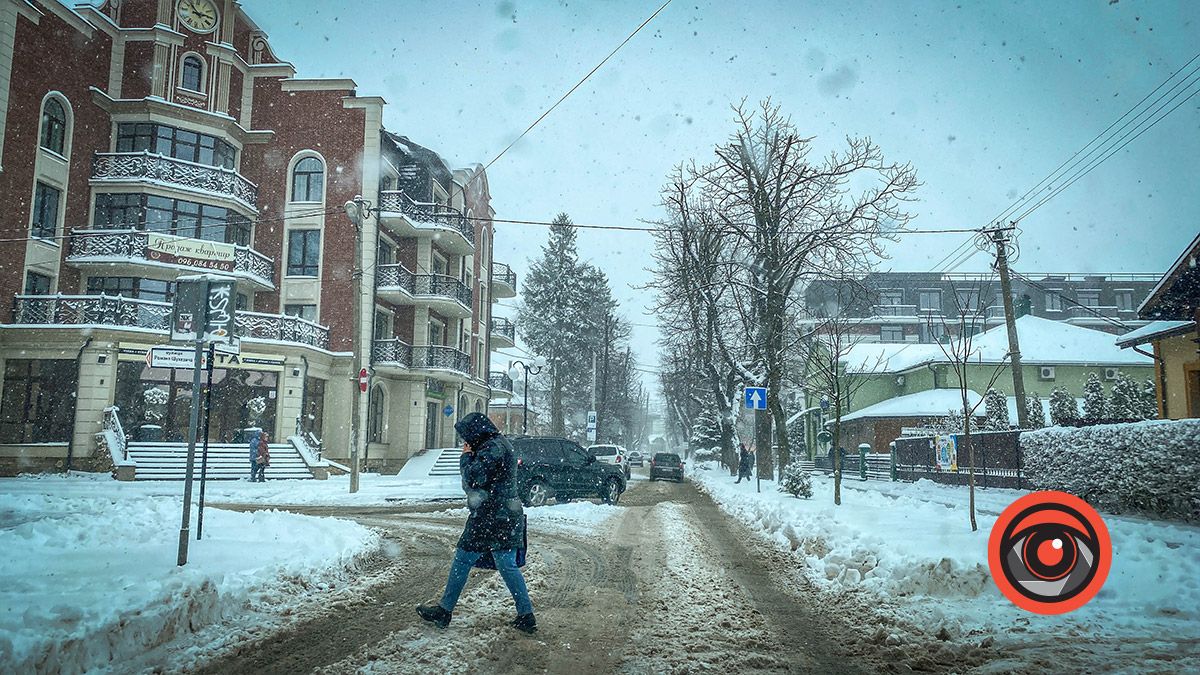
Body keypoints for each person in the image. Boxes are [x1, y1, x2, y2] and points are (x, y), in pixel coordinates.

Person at [417, 412, 535, 634]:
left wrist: (465, 457)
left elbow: (473, 478)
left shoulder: (492, 448)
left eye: (466, 437)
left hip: (492, 517)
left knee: (465, 558)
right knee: (504, 563)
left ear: (476, 432)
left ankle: (445, 610)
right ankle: (525, 614)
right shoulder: (496, 445)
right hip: (501, 515)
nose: (465, 442)